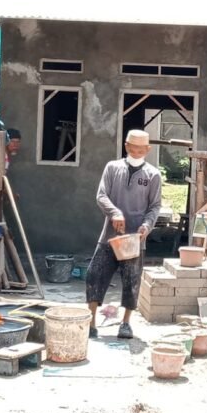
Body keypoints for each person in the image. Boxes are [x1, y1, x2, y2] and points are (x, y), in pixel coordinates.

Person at [85, 129, 162, 339]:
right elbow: (101, 196)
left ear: (148, 149)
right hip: (109, 235)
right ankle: (91, 323)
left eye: (141, 150)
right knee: (94, 276)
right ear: (126, 146)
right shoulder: (112, 167)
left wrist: (147, 225)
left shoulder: (153, 174)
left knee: (131, 281)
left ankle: (126, 323)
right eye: (133, 148)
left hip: (135, 239)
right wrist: (114, 213)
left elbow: (154, 206)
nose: (136, 153)